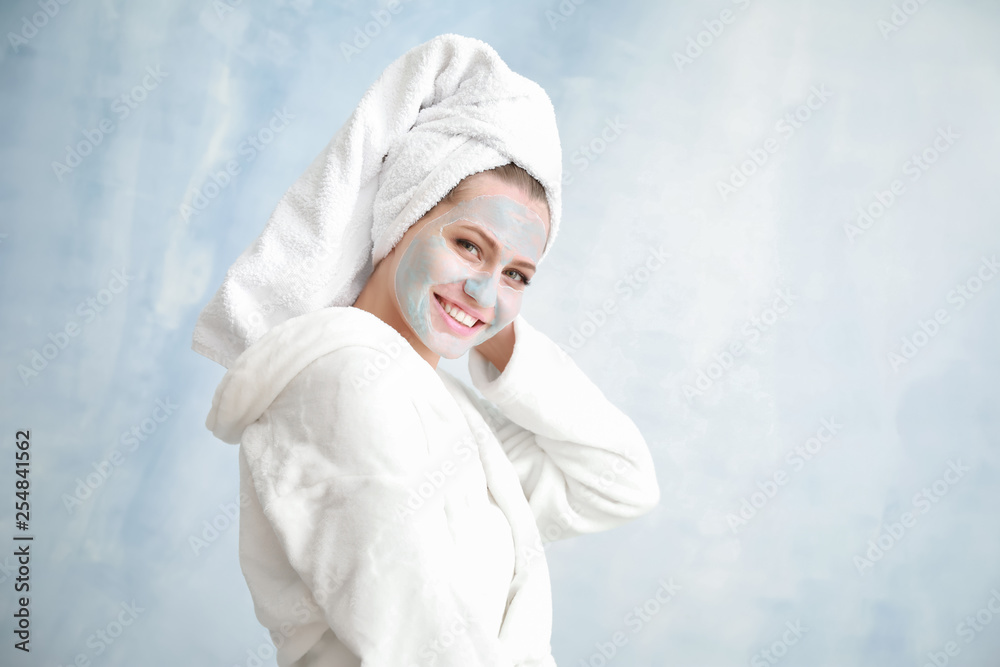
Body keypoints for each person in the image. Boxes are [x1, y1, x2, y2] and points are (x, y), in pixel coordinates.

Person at [193, 34, 659, 666]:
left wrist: (494, 322)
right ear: (399, 217)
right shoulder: (344, 381)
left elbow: (618, 483)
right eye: (469, 245)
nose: (484, 286)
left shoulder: (437, 403)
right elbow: (424, 644)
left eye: (518, 273)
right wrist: (482, 296)